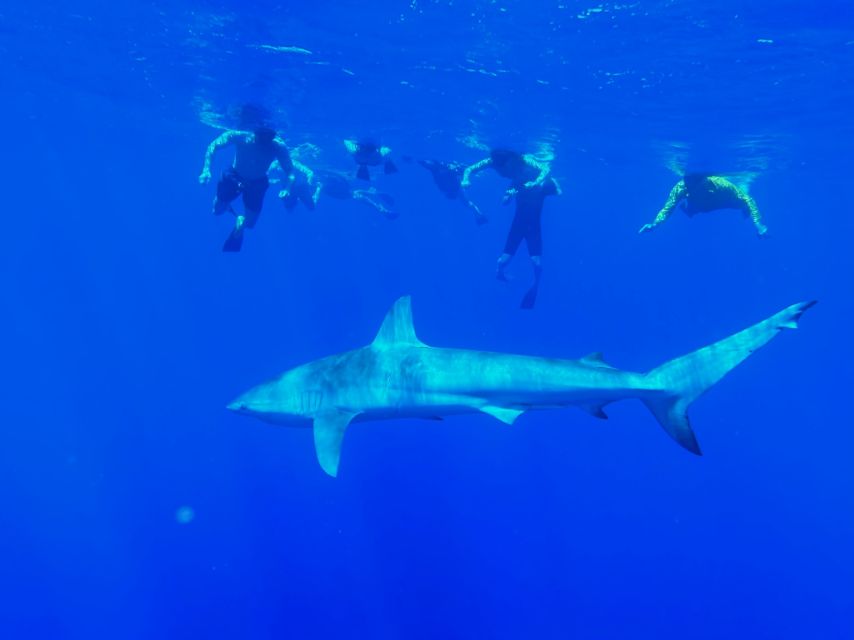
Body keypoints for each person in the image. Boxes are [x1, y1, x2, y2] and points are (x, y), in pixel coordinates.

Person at [462, 149, 559, 309]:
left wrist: (537, 183)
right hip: (519, 225)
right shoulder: (513, 182)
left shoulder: (529, 166)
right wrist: (466, 179)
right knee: (503, 261)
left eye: (508, 169)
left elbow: (549, 173)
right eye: (502, 170)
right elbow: (504, 201)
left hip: (533, 225)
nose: (506, 173)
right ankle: (499, 273)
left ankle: (536, 284)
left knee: (537, 263)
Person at [199, 126, 298, 252]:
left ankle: (239, 220)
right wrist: (206, 169)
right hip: (233, 176)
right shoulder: (240, 136)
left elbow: (290, 172)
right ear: (254, 132)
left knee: (250, 225)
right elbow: (213, 146)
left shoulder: (278, 146)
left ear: (273, 136)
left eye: (269, 138)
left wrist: (288, 188)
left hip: (257, 183)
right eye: (262, 137)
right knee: (217, 211)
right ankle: (231, 209)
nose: (264, 141)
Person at [638, 174, 769, 237]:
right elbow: (667, 208)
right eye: (688, 182)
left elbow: (748, 199)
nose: (689, 184)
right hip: (702, 206)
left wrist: (758, 224)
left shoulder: (720, 184)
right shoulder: (681, 187)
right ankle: (690, 210)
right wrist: (654, 224)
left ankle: (690, 210)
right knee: (693, 207)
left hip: (723, 201)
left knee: (743, 203)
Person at [279, 167, 399, 219]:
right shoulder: (293, 188)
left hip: (329, 184)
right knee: (352, 193)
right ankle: (376, 197)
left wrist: (319, 189)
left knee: (351, 194)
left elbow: (314, 197)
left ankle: (380, 206)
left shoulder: (296, 189)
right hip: (330, 182)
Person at [416, 159, 487, 224]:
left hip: (452, 179)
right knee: (466, 202)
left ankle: (480, 216)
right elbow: (468, 203)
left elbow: (469, 204)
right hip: (449, 178)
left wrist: (479, 215)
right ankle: (479, 216)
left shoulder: (454, 187)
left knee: (466, 202)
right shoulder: (446, 187)